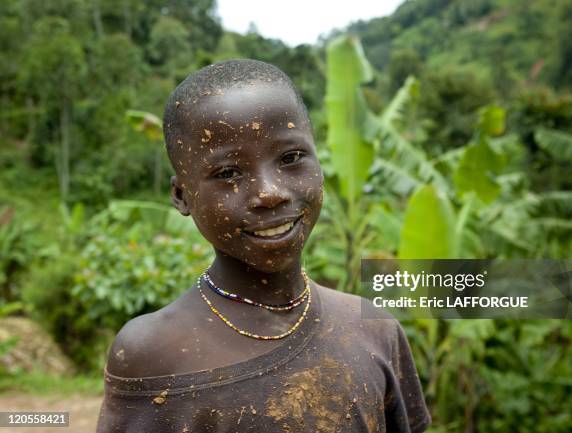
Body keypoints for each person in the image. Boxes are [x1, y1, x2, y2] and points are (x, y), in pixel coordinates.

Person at [96, 59, 431, 433]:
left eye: (290, 159)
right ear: (181, 195)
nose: (269, 193)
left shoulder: (374, 330)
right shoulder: (151, 352)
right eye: (228, 173)